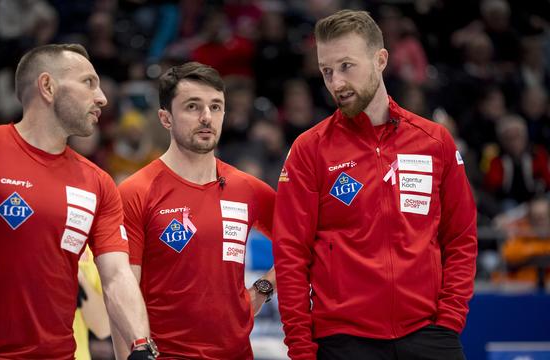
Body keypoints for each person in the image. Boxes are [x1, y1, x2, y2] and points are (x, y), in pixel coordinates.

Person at [0, 44, 157, 360]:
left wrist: (141, 346)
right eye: (88, 82)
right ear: (47, 86)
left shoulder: (98, 183)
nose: (102, 98)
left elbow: (116, 275)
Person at [273, 10, 478, 360]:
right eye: (327, 71)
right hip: (343, 342)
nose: (336, 82)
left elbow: (460, 237)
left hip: (429, 334)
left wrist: (449, 319)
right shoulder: (310, 150)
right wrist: (301, 350)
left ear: (380, 59)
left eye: (346, 66)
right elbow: (290, 255)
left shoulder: (434, 141)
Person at [116, 62, 276, 359]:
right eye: (192, 106)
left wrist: (264, 289)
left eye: (216, 107)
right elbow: (122, 294)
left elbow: (304, 241)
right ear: (165, 118)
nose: (206, 117)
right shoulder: (136, 192)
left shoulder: (248, 189)